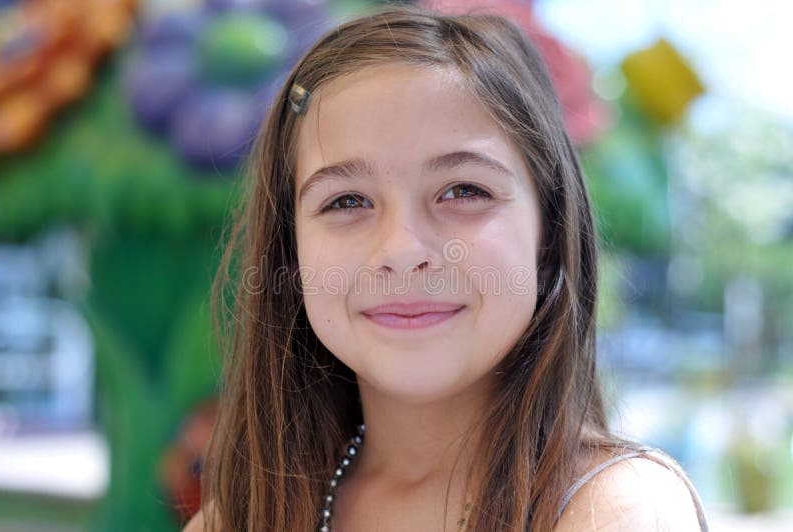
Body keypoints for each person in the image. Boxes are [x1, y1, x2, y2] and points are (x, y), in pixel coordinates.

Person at [183, 4, 709, 531]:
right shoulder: (236, 520)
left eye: (464, 190)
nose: (402, 250)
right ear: (291, 252)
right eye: (346, 201)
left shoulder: (617, 509)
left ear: (548, 236)